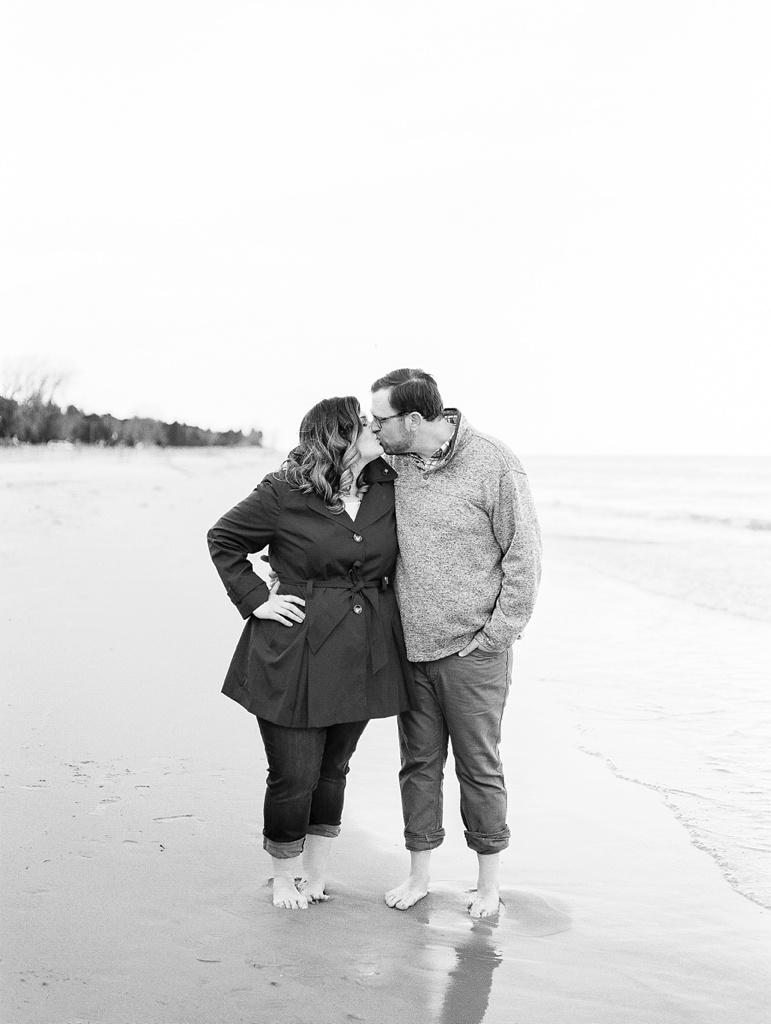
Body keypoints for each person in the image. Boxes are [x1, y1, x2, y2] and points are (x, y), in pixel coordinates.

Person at [207, 396, 415, 910]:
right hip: (294, 649)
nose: (373, 426)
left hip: (364, 648)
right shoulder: (283, 493)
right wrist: (258, 600)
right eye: (364, 422)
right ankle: (283, 875)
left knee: (334, 768)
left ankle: (316, 872)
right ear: (338, 435)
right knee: (294, 773)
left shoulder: (389, 483)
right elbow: (224, 539)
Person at [369, 368, 542, 918]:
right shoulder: (394, 463)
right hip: (411, 649)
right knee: (417, 765)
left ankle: (488, 885)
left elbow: (524, 556)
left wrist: (497, 636)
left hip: (474, 652)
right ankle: (420, 875)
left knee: (478, 767)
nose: (374, 428)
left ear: (414, 420)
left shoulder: (493, 461)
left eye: (381, 419)